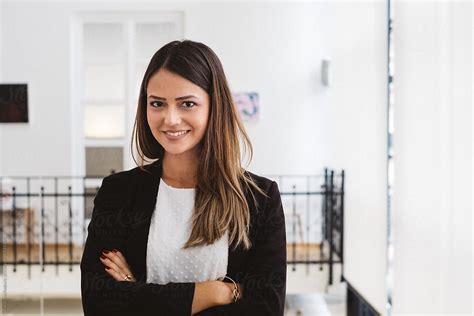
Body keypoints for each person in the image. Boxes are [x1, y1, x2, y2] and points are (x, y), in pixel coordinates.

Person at [80, 39, 287, 316]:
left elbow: (265, 309)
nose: (171, 119)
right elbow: (99, 303)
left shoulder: (260, 199)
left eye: (187, 103)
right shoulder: (118, 192)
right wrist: (213, 292)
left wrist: (136, 289)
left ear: (215, 107)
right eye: (157, 103)